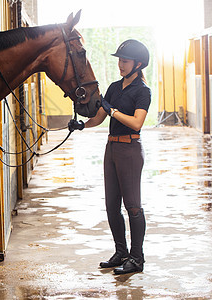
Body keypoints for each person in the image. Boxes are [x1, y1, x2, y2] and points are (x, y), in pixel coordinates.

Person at [84, 39, 151, 275]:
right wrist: (82, 125)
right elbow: (100, 117)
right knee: (111, 205)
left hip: (130, 150)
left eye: (125, 61)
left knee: (132, 206)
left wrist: (113, 111)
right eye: (120, 60)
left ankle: (137, 258)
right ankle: (121, 252)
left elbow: (136, 123)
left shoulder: (143, 91)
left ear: (138, 63)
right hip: (111, 148)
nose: (120, 64)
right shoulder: (113, 87)